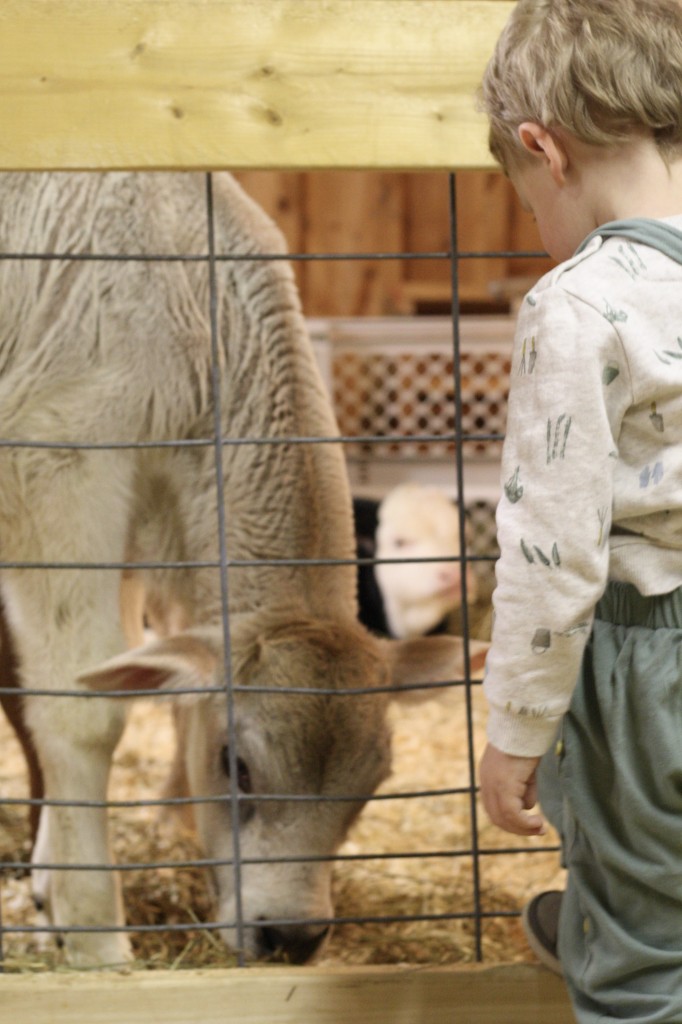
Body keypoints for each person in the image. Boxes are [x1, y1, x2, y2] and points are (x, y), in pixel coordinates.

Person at [476, 0, 682, 1019]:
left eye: (524, 202)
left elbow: (551, 555)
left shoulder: (578, 302)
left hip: (653, 661)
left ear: (541, 149)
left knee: (646, 966)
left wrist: (512, 728)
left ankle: (618, 939)